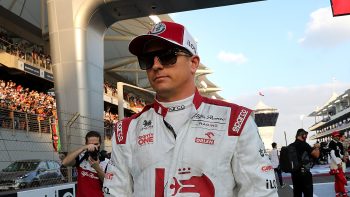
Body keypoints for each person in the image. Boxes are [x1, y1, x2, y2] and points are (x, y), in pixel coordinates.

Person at [103, 21, 278, 196]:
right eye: (148, 60)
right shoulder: (125, 130)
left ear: (193, 63)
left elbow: (260, 191)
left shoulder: (235, 121)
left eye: (167, 56)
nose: (156, 65)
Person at [62, 131, 106, 197]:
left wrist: (97, 168)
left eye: (96, 144)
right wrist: (83, 148)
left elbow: (108, 183)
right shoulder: (81, 157)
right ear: (86, 144)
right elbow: (65, 162)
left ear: (100, 144)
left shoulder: (106, 161)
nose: (93, 147)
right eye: (90, 144)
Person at [290, 128, 320, 197]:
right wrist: (317, 147)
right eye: (305, 135)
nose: (306, 137)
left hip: (294, 174)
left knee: (297, 194)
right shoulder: (304, 144)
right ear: (303, 135)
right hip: (304, 174)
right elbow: (316, 155)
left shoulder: (291, 145)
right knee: (308, 194)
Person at [328, 131, 348, 197]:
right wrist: (338, 163)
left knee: (337, 179)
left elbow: (339, 153)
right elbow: (332, 154)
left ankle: (338, 193)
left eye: (337, 135)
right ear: (333, 136)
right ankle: (344, 193)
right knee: (341, 178)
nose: (337, 137)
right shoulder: (331, 143)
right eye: (335, 136)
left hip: (338, 160)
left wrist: (343, 158)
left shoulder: (337, 143)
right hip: (335, 161)